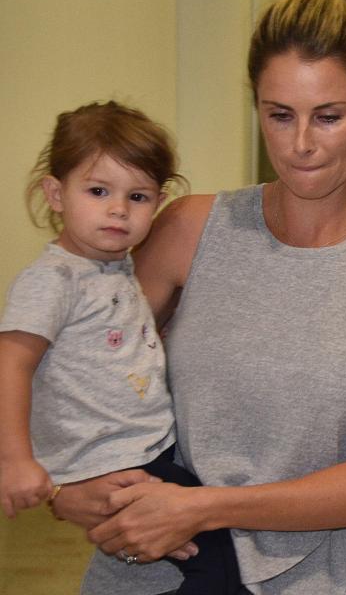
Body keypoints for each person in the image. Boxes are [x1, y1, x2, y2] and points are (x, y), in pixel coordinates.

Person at [50, 0, 346, 594]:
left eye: (328, 116)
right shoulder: (190, 229)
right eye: (279, 115)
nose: (301, 145)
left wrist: (205, 507)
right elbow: (76, 370)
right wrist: (61, 485)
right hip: (148, 575)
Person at [0, 101, 247, 594]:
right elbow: (11, 361)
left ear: (158, 202)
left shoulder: (117, 267)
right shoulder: (53, 279)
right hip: (117, 460)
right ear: (55, 193)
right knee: (214, 556)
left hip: (151, 446)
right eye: (98, 191)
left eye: (137, 196)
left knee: (200, 547)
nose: (118, 209)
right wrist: (15, 459)